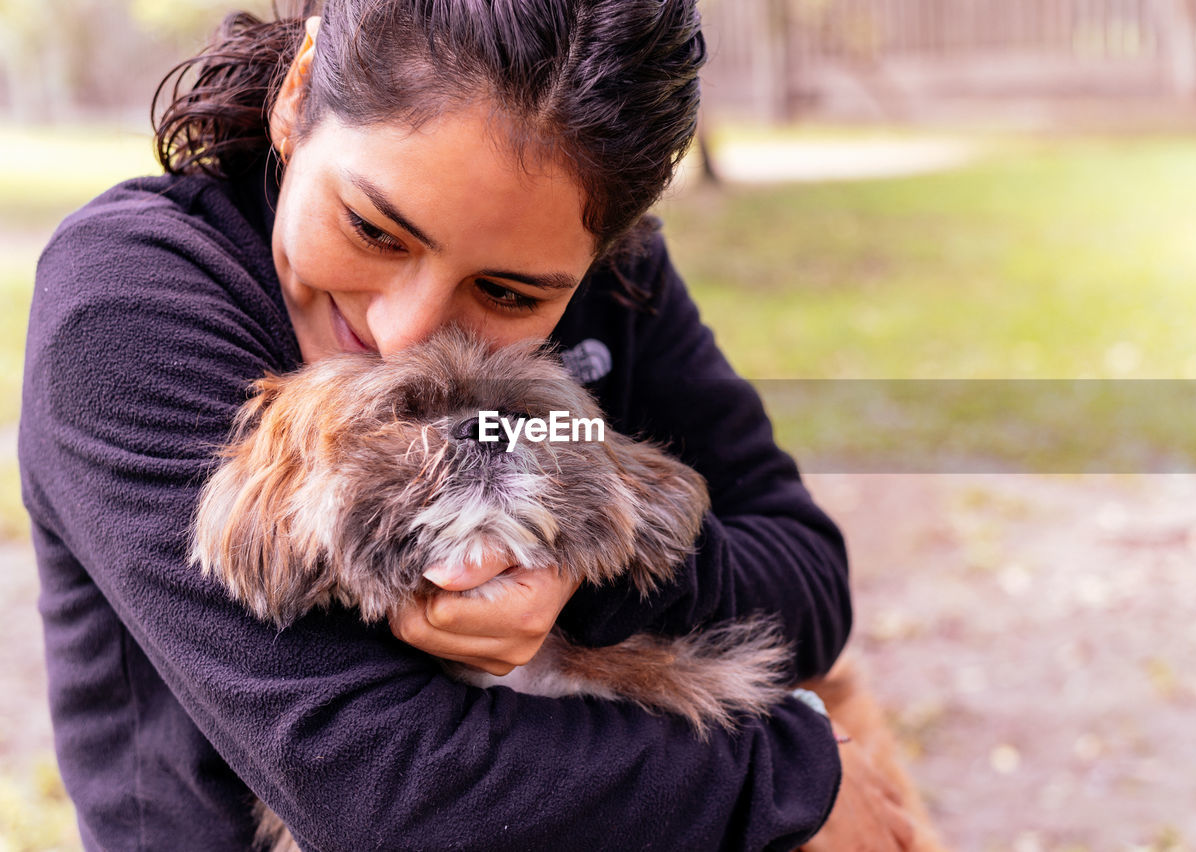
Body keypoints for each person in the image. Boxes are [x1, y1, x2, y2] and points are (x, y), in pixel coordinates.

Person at [20, 1, 907, 849]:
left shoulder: (614, 274)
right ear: (298, 96)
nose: (406, 333)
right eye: (373, 229)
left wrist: (586, 559)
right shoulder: (130, 304)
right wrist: (785, 778)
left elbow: (809, 576)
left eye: (511, 293)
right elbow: (378, 790)